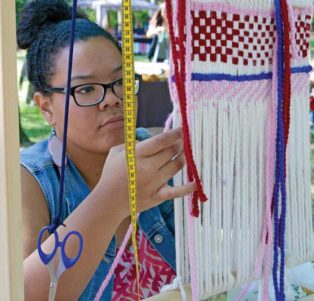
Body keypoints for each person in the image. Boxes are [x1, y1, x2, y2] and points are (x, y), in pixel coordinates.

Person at [17, 0, 195, 300]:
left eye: (120, 82)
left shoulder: (155, 152)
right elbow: (24, 294)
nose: (112, 99)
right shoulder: (28, 181)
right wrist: (112, 198)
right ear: (46, 107)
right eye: (86, 88)